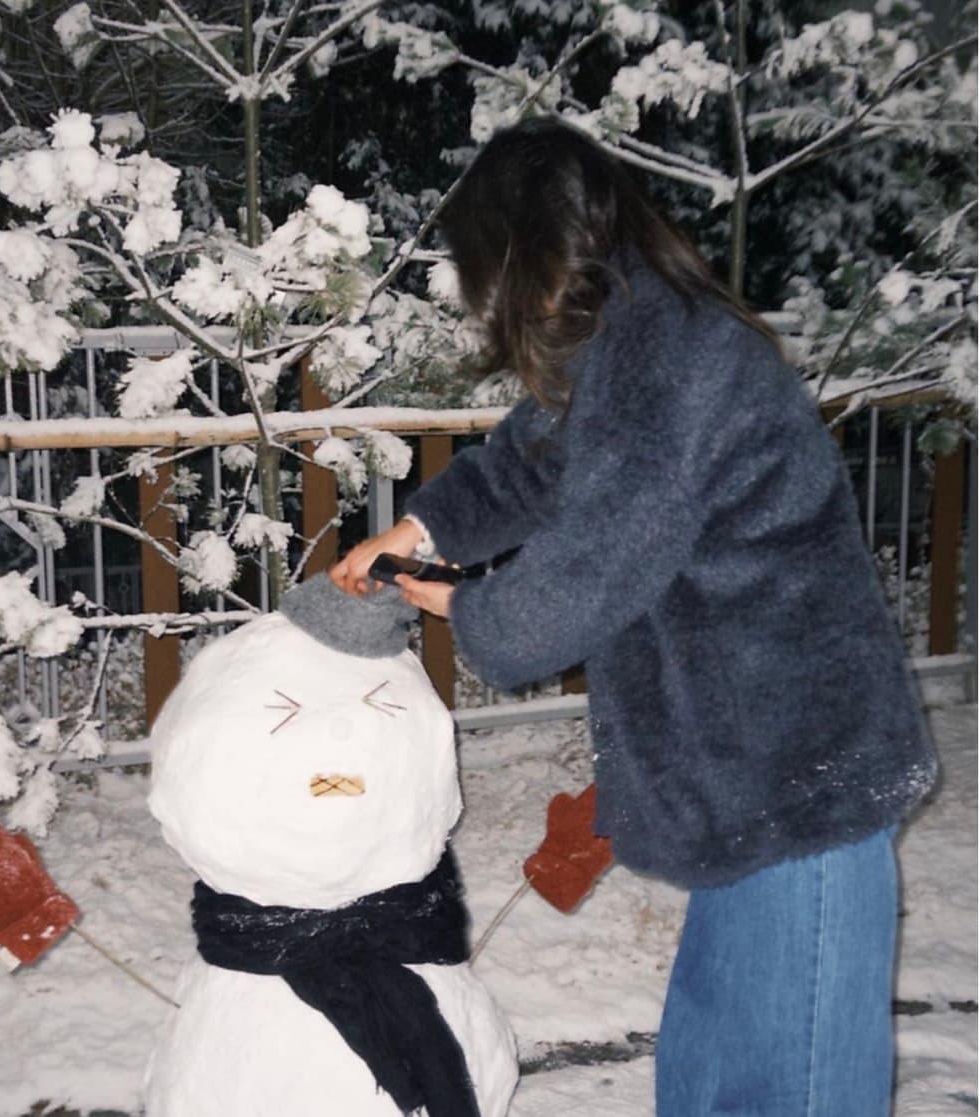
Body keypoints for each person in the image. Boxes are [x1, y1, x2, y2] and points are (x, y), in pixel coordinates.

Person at [329, 115, 938, 1115]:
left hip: (800, 777)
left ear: (521, 253)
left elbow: (577, 581)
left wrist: (461, 602)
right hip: (741, 780)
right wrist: (415, 531)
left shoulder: (671, 361)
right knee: (711, 1076)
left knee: (795, 1088)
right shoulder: (628, 344)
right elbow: (530, 462)